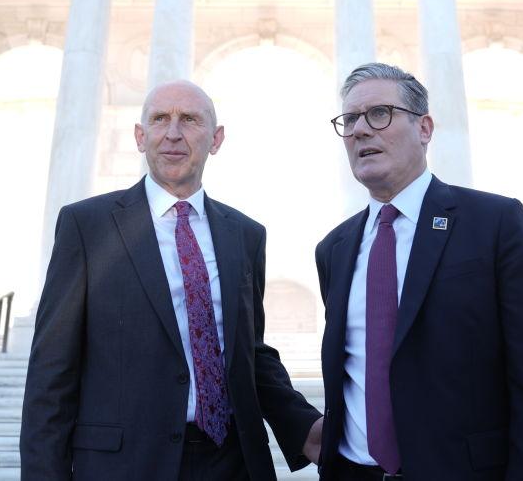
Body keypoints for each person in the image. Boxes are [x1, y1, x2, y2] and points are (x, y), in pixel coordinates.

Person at [21, 80, 323, 480]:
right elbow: (52, 370)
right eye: (160, 119)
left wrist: (304, 427)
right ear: (140, 136)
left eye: (190, 120)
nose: (173, 133)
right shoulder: (87, 226)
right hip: (125, 465)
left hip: (232, 462)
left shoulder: (245, 235)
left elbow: (248, 352)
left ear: (215, 140)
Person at [315, 63, 523, 480]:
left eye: (379, 114)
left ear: (425, 128)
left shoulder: (496, 223)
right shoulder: (334, 249)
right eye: (350, 119)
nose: (361, 130)